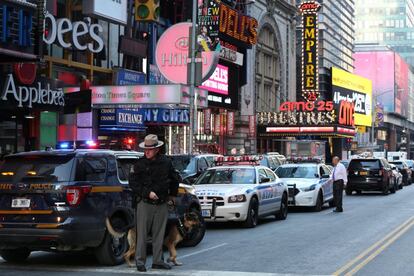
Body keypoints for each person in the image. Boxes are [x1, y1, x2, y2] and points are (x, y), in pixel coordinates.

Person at [129, 134, 180, 272]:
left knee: (159, 234)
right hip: (144, 203)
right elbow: (133, 183)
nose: (147, 151)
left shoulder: (166, 162)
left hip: (162, 203)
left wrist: (172, 195)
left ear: (157, 149)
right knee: (142, 235)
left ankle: (158, 261)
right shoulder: (139, 164)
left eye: (150, 149)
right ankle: (140, 262)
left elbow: (175, 178)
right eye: (145, 149)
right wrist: (147, 193)